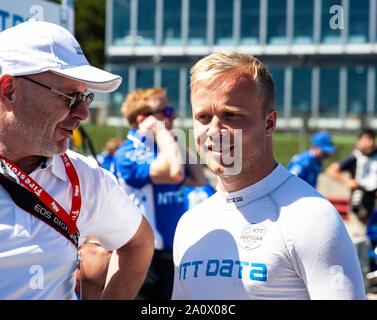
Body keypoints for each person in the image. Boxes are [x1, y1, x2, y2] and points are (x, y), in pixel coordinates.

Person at [172, 50, 366, 300]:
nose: (215, 131)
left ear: (269, 124)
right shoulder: (190, 223)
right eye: (203, 117)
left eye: (231, 115)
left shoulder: (311, 217)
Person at [0, 20, 154, 300]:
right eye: (69, 97)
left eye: (85, 97)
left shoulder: (84, 177)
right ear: (9, 89)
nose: (83, 113)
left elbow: (139, 243)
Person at [113, 88, 207, 299]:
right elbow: (175, 172)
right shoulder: (128, 153)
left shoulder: (164, 150)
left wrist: (173, 138)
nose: (172, 115)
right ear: (143, 119)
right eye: (165, 111)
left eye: (171, 110)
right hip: (145, 257)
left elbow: (199, 178)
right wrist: (162, 131)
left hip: (172, 254)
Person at [326, 129, 377, 225]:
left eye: (372, 139)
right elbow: (331, 170)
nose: (370, 143)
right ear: (359, 142)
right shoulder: (355, 156)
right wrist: (347, 181)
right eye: (367, 139)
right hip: (359, 201)